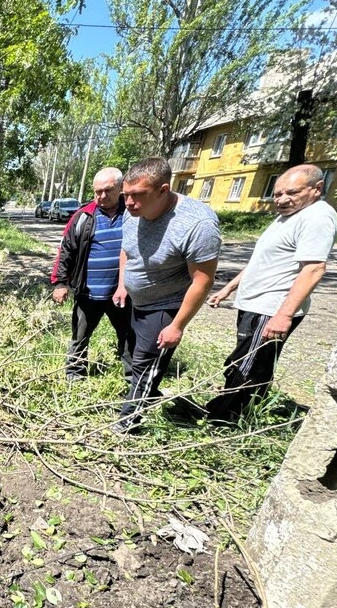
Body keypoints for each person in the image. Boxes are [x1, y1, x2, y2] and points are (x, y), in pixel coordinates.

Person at [205, 164, 337, 421]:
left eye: (291, 192)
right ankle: (238, 412)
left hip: (271, 308)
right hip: (256, 305)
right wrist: (229, 288)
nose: (282, 199)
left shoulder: (317, 217)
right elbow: (262, 261)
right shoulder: (288, 217)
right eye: (277, 194)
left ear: (317, 189)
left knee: (246, 365)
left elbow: (313, 269)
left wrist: (283, 315)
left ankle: (222, 417)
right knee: (251, 363)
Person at [111, 157, 222, 432]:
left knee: (145, 365)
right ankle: (139, 399)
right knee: (132, 355)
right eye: (126, 195)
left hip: (165, 306)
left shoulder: (197, 224)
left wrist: (177, 326)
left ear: (163, 189)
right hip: (136, 301)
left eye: (138, 196)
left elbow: (203, 280)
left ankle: (128, 423)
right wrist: (123, 283)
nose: (129, 203)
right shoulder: (132, 211)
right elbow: (127, 249)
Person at [50, 167, 133, 382]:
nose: (102, 196)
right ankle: (75, 375)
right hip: (89, 293)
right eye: (98, 192)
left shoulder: (133, 214)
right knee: (80, 336)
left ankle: (133, 379)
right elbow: (65, 250)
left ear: (121, 188)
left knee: (128, 336)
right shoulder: (83, 216)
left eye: (108, 190)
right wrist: (60, 283)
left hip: (123, 294)